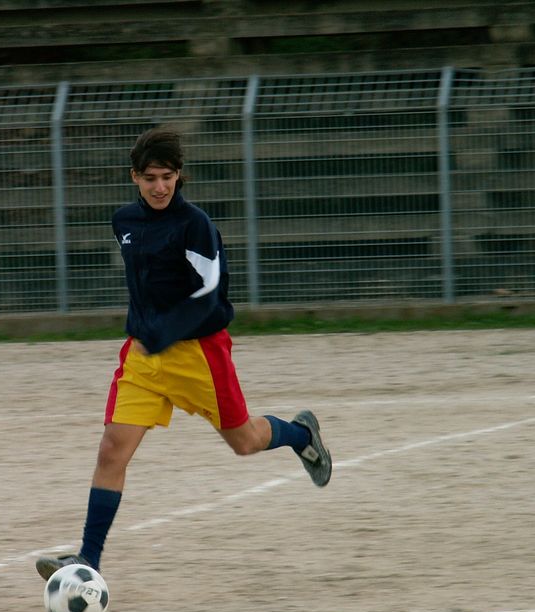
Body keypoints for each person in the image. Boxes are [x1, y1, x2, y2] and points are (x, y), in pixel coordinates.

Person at [36, 126, 331, 580]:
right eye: (150, 178)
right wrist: (148, 333)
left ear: (179, 176)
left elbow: (210, 294)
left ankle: (301, 435)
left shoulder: (195, 225)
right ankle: (87, 560)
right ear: (134, 177)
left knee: (245, 441)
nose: (160, 187)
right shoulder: (123, 222)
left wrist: (165, 331)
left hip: (198, 354)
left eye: (168, 177)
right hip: (143, 355)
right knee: (112, 450)